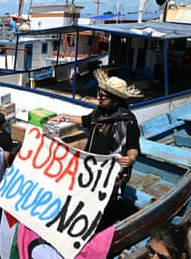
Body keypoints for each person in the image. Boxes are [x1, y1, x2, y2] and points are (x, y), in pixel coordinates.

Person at [51, 69, 142, 230]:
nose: (99, 97)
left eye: (103, 96)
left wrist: (131, 158)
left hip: (109, 174)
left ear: (116, 99)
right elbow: (85, 120)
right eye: (99, 93)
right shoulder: (100, 113)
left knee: (104, 207)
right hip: (91, 169)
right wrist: (64, 116)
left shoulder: (128, 121)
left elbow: (133, 147)